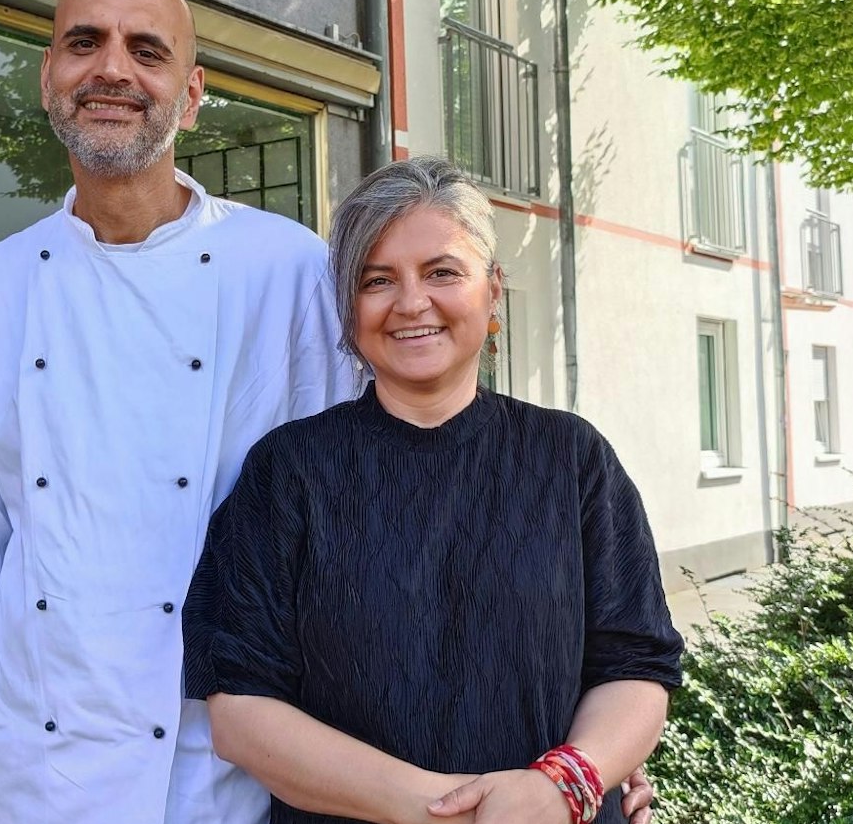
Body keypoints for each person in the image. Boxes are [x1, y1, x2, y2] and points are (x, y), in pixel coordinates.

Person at [0, 0, 358, 824]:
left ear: (192, 91)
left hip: (234, 777)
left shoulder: (289, 273)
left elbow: (366, 525)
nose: (112, 70)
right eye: (84, 43)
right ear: (48, 77)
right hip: (43, 775)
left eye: (147, 50)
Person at [184, 157, 683, 824]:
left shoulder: (571, 459)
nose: (412, 302)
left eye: (442, 271)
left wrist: (562, 783)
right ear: (348, 307)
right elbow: (240, 710)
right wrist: (450, 810)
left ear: (494, 291)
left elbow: (635, 665)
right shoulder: (288, 472)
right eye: (377, 279)